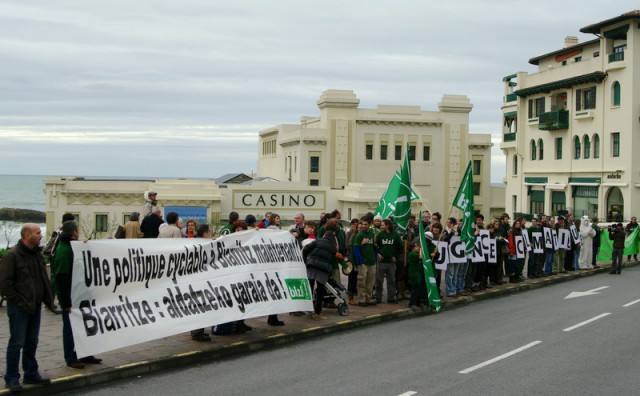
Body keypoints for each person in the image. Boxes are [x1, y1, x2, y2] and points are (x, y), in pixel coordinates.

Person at [0, 224, 54, 391]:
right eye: (38, 233)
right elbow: (5, 283)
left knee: (32, 341)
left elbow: (42, 278)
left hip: (35, 305)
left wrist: (47, 298)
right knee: (17, 343)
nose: (40, 235)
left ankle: (31, 373)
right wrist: (18, 301)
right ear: (27, 235)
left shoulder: (37, 254)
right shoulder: (13, 256)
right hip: (20, 307)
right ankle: (12, 377)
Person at [52, 221, 102, 369]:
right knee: (70, 328)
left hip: (79, 295)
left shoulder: (72, 246)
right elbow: (61, 278)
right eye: (77, 230)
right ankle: (71, 357)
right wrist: (65, 302)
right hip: (71, 298)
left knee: (84, 325)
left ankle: (86, 353)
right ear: (74, 232)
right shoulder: (63, 251)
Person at [43, 212, 75, 315]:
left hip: (54, 257)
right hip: (58, 258)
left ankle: (51, 301)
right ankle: (51, 302)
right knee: (55, 280)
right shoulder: (63, 232)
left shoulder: (57, 230)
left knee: (54, 279)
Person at [302, 228, 337, 320]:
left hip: (312, 265)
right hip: (323, 268)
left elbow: (305, 249)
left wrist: (305, 260)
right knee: (320, 289)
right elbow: (332, 259)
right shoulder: (333, 246)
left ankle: (308, 310)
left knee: (310, 287)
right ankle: (317, 312)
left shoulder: (318, 241)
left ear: (325, 235)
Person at [353, 218, 377, 306]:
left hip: (372, 262)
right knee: (362, 281)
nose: (363, 226)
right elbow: (356, 248)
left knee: (370, 282)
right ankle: (361, 299)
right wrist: (360, 261)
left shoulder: (372, 234)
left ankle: (368, 299)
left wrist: (375, 258)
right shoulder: (359, 235)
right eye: (362, 224)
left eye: (365, 224)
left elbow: (375, 247)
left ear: (369, 225)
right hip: (363, 262)